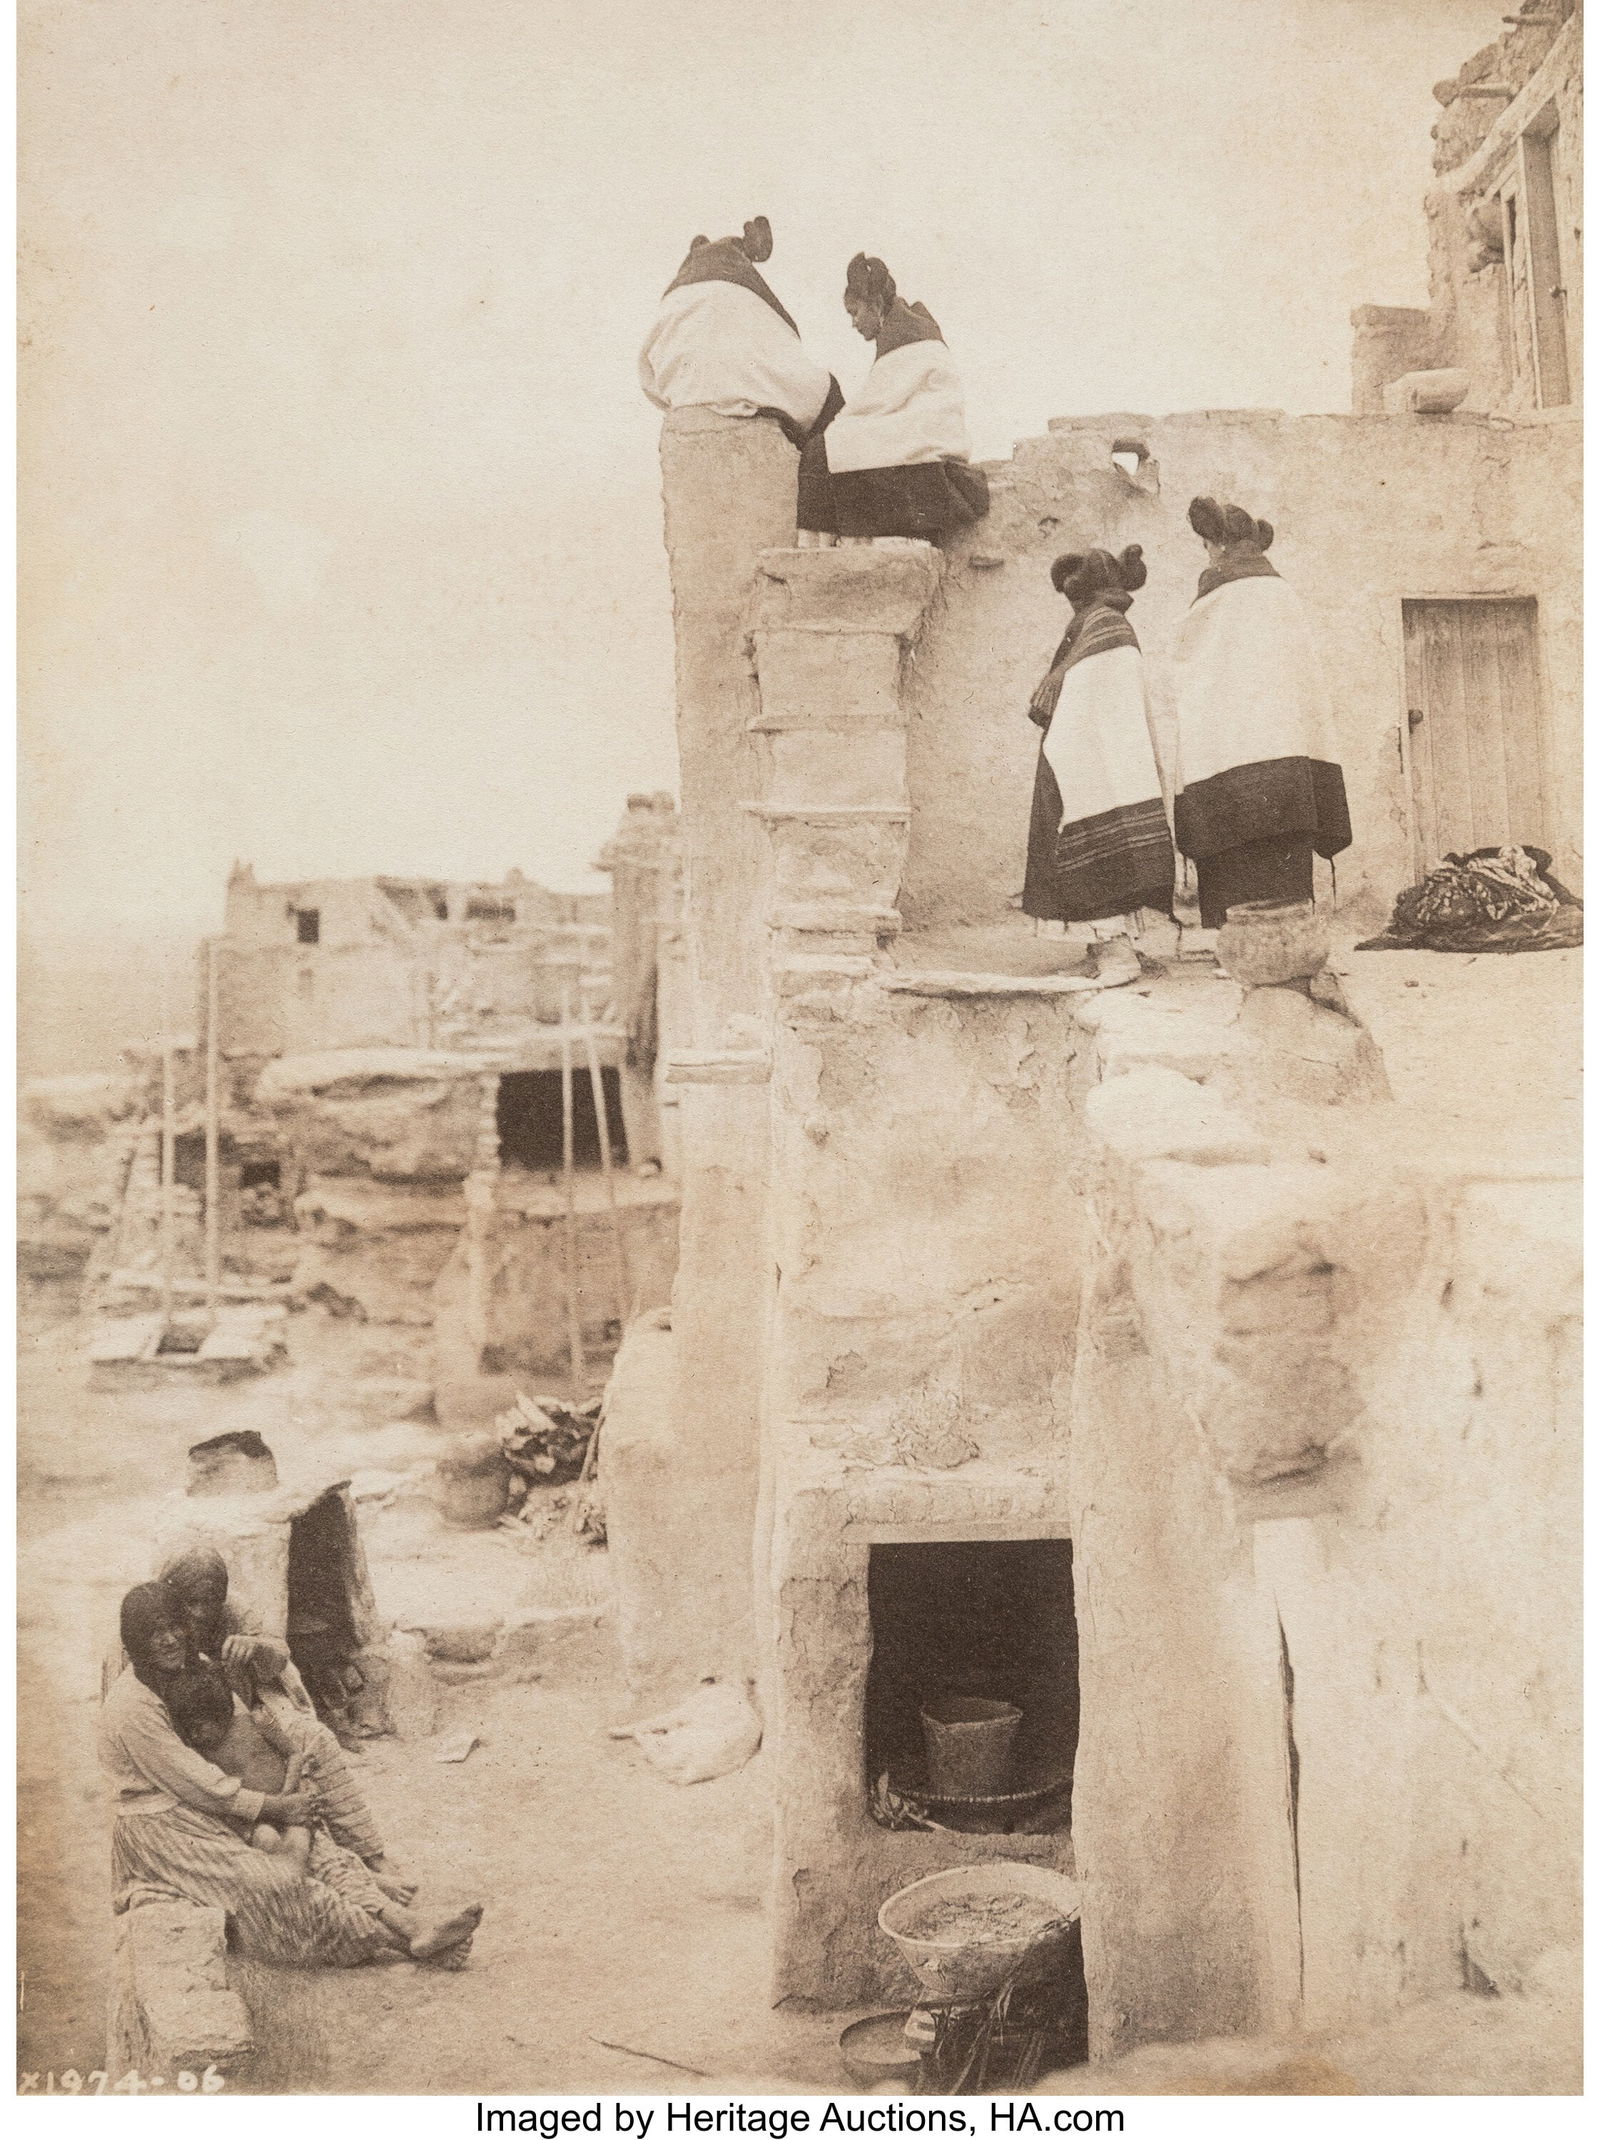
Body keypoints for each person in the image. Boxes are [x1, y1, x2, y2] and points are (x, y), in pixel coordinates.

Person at [99, 1584, 405, 1968]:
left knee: (310, 1847)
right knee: (272, 1882)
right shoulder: (132, 1707)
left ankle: (405, 1922)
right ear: (135, 1642)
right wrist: (278, 1805)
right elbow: (196, 1782)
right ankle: (390, 1938)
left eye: (175, 1626)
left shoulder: (184, 1670)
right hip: (159, 1826)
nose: (169, 1640)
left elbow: (239, 1732)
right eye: (155, 1633)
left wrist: (280, 1798)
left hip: (203, 1805)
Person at [162, 1662, 480, 1963]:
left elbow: (293, 1755)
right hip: (265, 1828)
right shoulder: (197, 1755)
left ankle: (412, 1926)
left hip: (293, 1814)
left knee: (335, 1867)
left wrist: (289, 1795)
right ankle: (413, 1933)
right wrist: (276, 1814)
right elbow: (226, 1801)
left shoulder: (256, 1723)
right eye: (189, 1731)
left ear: (223, 1712)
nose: (196, 1737)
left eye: (201, 1728)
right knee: (313, 1876)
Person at [151, 1542, 414, 1901]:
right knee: (271, 1814)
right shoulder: (156, 1625)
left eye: (209, 1601)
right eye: (189, 1601)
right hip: (195, 1736)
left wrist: (257, 1648)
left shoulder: (231, 1611)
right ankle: (351, 1875)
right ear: (170, 1596)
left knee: (313, 1739)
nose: (200, 1612)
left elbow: (279, 1652)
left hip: (243, 1714)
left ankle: (370, 1855)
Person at [1169, 497, 1351, 931]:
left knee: (1233, 851)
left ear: (1217, 545)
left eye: (1207, 546)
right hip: (1288, 758)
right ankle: (1289, 939)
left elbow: (1192, 672)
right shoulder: (1282, 593)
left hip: (1229, 760)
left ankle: (1237, 943)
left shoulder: (1216, 598)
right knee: (1284, 859)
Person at [1021, 546, 1175, 985]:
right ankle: (1102, 947)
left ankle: (1117, 955)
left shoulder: (1103, 628)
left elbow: (1090, 705)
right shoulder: (1104, 625)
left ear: (1083, 593)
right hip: (1104, 761)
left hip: (1093, 766)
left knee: (1094, 847)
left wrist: (1066, 764)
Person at [797, 253, 988, 544]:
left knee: (826, 447)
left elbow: (876, 402)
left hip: (927, 435)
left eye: (855, 312)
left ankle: (820, 545)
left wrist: (839, 425)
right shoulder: (906, 326)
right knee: (838, 446)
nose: (854, 323)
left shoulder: (905, 331)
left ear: (874, 305)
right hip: (923, 431)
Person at [639, 216, 838, 449]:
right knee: (827, 399)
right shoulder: (739, 292)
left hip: (684, 395)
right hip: (740, 388)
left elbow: (649, 373)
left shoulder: (678, 298)